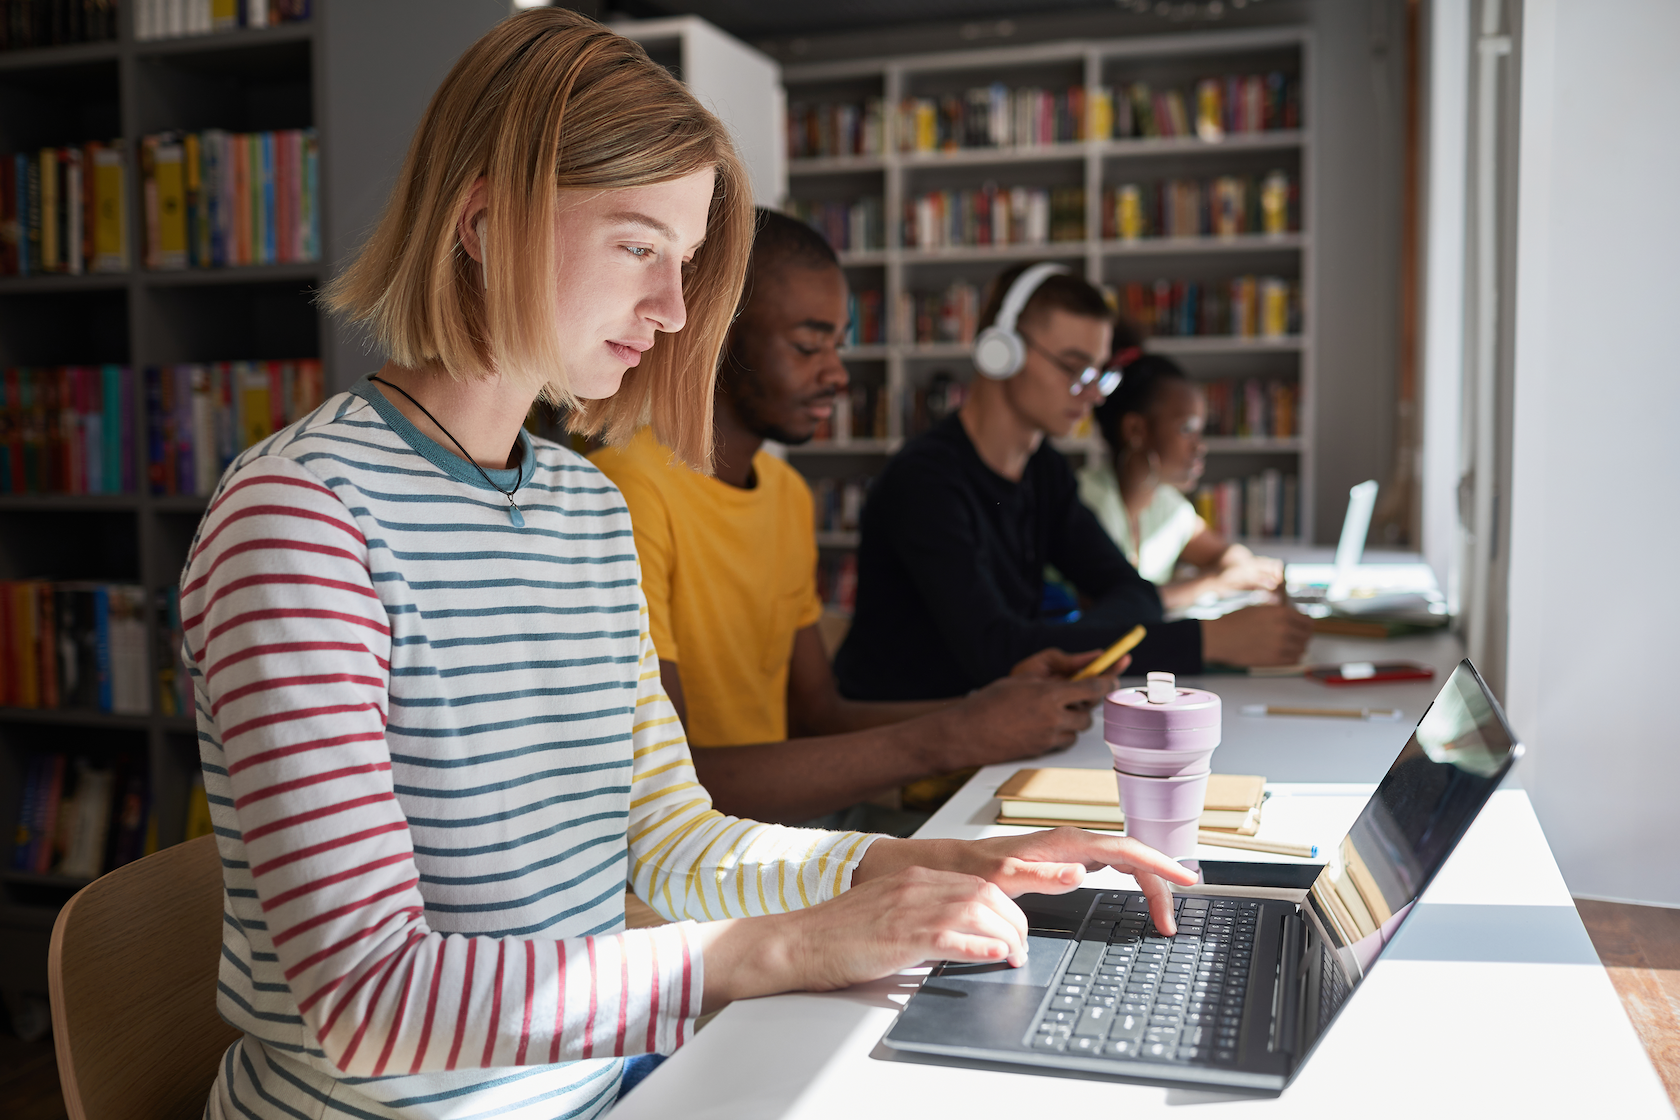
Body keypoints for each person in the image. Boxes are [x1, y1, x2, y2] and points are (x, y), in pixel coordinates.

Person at [180, 14, 1194, 1120]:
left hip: (607, 1084)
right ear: (482, 221)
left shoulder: (581, 508)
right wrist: (784, 947)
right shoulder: (301, 521)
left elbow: (669, 837)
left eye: (684, 262)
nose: (671, 312)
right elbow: (371, 1000)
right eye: (637, 247)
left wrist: (924, 866)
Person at [593, 209, 1117, 828]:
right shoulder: (626, 490)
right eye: (809, 345)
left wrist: (989, 708)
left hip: (783, 835)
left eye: (837, 345)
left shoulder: (785, 493)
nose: (838, 373)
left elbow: (819, 714)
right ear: (717, 335)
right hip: (696, 864)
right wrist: (957, 735)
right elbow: (679, 785)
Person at [835, 262, 1312, 703]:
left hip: (1002, 724)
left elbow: (1133, 592)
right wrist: (1206, 640)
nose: (1090, 394)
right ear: (1002, 351)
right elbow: (995, 652)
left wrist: (1067, 639)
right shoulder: (926, 480)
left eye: (1099, 373)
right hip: (912, 745)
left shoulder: (1044, 470)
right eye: (1073, 367)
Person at [1081, 351, 1285, 609]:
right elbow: (1111, 603)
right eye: (1187, 429)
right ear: (1136, 430)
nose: (1200, 446)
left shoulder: (1166, 505)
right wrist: (1214, 583)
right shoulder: (1086, 501)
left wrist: (1246, 569)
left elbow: (1222, 552)